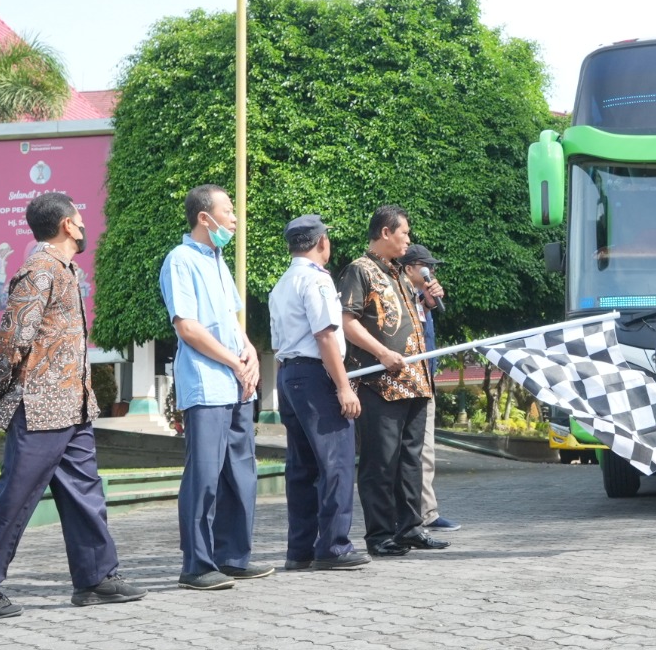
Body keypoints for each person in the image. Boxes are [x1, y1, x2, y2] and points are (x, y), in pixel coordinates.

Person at [0, 193, 143, 618]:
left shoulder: (67, 271)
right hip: (39, 407)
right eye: (80, 217)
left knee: (85, 494)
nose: (84, 223)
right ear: (68, 225)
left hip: (73, 407)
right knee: (14, 499)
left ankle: (95, 578)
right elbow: (10, 341)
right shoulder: (38, 271)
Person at [159, 184, 270, 590]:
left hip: (239, 383)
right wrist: (233, 361)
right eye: (228, 210)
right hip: (207, 384)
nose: (235, 217)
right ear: (205, 218)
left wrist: (251, 353)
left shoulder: (219, 260)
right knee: (205, 474)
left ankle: (234, 556)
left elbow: (232, 321)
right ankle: (197, 565)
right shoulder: (180, 260)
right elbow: (188, 327)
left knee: (241, 473)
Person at [340, 205, 449, 557]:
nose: (408, 240)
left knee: (410, 460)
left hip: (415, 382)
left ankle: (410, 527)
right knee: (380, 461)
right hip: (380, 383)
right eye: (404, 232)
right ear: (386, 232)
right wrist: (382, 354)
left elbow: (406, 319)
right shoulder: (360, 270)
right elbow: (348, 322)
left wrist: (429, 302)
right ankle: (381, 534)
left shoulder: (400, 274)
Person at [267, 215, 370, 572]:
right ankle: (333, 546)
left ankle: (300, 549)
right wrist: (343, 386)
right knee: (336, 463)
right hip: (315, 377)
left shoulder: (281, 283)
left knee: (301, 467)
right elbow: (325, 335)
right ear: (321, 242)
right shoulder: (317, 281)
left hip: (289, 376)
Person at [396, 244, 458, 532]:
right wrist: (422, 300)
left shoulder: (422, 300)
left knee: (425, 452)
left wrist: (430, 304)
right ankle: (411, 515)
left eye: (432, 268)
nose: (430, 272)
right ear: (408, 269)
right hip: (402, 384)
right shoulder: (398, 294)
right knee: (409, 453)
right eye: (425, 267)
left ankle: (426, 513)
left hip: (424, 381)